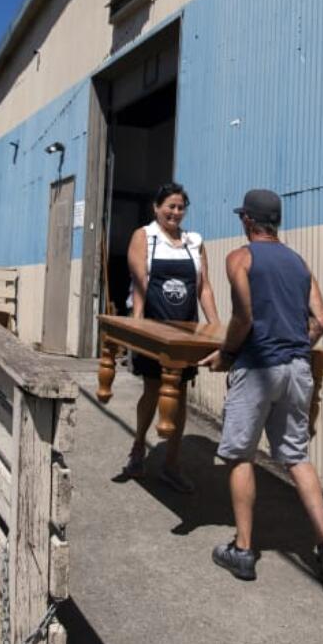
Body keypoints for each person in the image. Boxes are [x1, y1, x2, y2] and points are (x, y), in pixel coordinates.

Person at [200, 188, 323, 581]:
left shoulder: (240, 258)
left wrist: (228, 354)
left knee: (240, 454)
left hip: (258, 367)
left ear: (248, 220)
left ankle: (243, 550)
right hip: (298, 368)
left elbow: (244, 317)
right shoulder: (300, 264)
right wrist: (295, 346)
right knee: (296, 455)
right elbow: (321, 321)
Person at [122, 182, 221, 493]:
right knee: (153, 390)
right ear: (157, 207)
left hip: (185, 331)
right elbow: (140, 283)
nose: (176, 213)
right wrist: (135, 328)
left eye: (180, 208)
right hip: (154, 328)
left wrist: (216, 328)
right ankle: (138, 448)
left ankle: (172, 464)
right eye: (171, 207)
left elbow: (204, 287)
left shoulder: (194, 241)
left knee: (179, 395)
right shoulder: (145, 237)